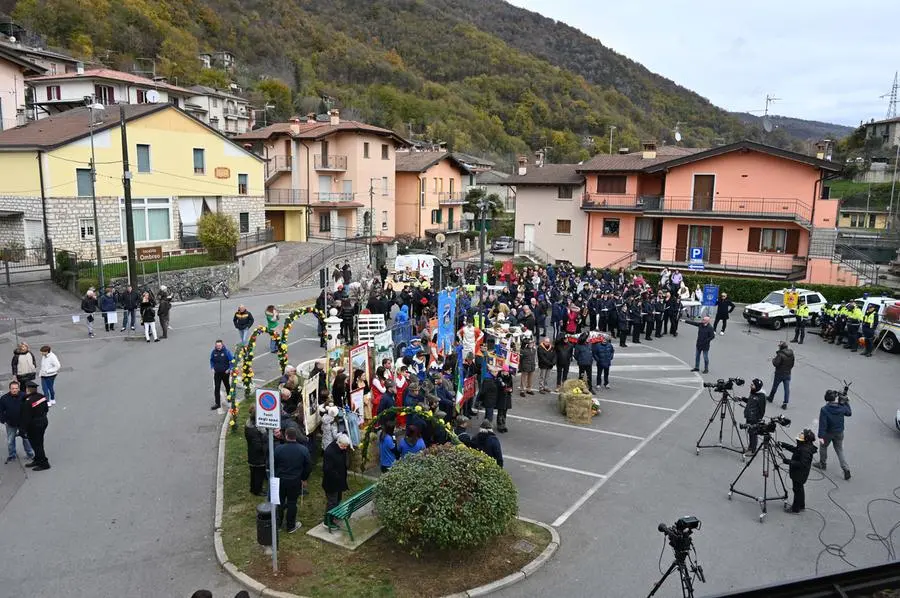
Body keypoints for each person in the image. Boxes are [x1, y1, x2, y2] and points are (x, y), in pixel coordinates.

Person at [274, 426, 312, 533]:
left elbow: (274, 463)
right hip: (295, 481)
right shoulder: (303, 450)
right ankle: (290, 526)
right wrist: (304, 478)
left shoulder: (278, 449)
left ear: (286, 436)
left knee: (279, 502)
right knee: (292, 502)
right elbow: (308, 466)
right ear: (296, 437)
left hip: (280, 479)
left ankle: (278, 524)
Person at [814, 389, 852, 480]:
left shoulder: (824, 409)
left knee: (823, 446)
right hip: (839, 432)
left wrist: (820, 436)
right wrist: (846, 402)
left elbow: (823, 424)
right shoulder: (841, 407)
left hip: (828, 433)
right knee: (839, 450)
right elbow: (849, 413)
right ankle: (846, 468)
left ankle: (822, 464)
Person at [780, 429, 817, 514]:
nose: (798, 440)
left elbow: (802, 464)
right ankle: (801, 505)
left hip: (799, 474)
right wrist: (784, 445)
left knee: (797, 490)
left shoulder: (805, 450)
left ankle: (795, 508)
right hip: (799, 473)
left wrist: (789, 462)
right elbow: (795, 449)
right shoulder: (804, 447)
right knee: (800, 489)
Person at [0, 380, 33, 463]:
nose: (14, 390)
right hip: (10, 424)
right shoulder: (4, 398)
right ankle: (12, 455)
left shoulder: (24, 396)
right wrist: (4, 421)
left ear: (18, 388)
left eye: (16, 388)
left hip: (23, 423)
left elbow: (30, 408)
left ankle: (30, 454)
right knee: (10, 441)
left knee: (26, 439)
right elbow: (0, 411)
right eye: (12, 388)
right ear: (9, 389)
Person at [20, 380, 49, 470]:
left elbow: (26, 417)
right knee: (39, 442)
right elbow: (46, 409)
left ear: (28, 390)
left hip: (34, 425)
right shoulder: (42, 397)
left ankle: (44, 463)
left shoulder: (28, 401)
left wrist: (22, 430)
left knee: (36, 444)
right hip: (43, 421)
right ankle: (37, 459)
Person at [322, 433, 351, 522]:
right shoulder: (329, 452)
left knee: (338, 499)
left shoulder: (341, 449)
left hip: (339, 481)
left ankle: (335, 515)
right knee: (332, 502)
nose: (345, 449)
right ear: (338, 443)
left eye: (346, 447)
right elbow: (327, 469)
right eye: (343, 446)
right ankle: (328, 521)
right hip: (331, 483)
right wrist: (338, 476)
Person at [244, 404, 267, 496]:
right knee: (258, 474)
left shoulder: (249, 424)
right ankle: (258, 490)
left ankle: (253, 489)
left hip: (252, 454)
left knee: (253, 473)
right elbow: (258, 446)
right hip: (258, 456)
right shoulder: (254, 430)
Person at [742, 378, 767, 455]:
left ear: (757, 386)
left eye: (752, 385)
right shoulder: (753, 392)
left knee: (753, 433)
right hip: (749, 416)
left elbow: (762, 409)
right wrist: (742, 399)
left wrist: (759, 419)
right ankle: (750, 447)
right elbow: (750, 401)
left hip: (754, 418)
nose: (751, 386)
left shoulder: (761, 396)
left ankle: (753, 450)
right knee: (750, 432)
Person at [767, 341, 794, 410]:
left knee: (775, 386)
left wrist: (773, 360)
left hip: (779, 374)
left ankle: (771, 398)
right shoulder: (791, 354)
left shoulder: (780, 355)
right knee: (786, 389)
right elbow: (792, 364)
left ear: (781, 347)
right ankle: (785, 403)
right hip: (788, 374)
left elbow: (776, 363)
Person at [209, 340, 234, 410]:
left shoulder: (227, 352)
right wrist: (212, 367)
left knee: (227, 386)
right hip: (217, 373)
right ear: (215, 346)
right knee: (217, 388)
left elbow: (232, 361)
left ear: (222, 345)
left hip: (225, 373)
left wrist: (229, 369)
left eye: (219, 345)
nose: (218, 347)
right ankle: (217, 404)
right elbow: (211, 360)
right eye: (217, 346)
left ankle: (229, 398)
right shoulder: (214, 352)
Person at [496, 367, 513, 433]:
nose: (506, 373)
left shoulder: (509, 377)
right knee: (500, 412)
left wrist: (510, 390)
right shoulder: (499, 378)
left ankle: (503, 425)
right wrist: (503, 386)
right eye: (505, 371)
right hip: (501, 397)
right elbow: (498, 388)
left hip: (507, 397)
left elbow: (511, 386)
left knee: (505, 412)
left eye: (507, 371)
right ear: (502, 371)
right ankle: (499, 426)